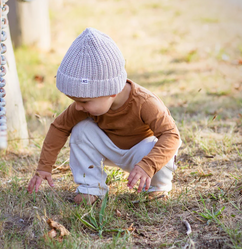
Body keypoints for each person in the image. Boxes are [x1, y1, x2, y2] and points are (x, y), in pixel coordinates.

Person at [28, 28, 181, 205]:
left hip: (141, 154)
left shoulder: (145, 103)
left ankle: (158, 188)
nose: (77, 106)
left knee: (158, 144)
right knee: (81, 129)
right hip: (109, 149)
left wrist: (148, 165)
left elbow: (172, 136)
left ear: (112, 92)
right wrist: (44, 167)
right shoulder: (83, 106)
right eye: (75, 100)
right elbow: (59, 127)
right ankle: (91, 187)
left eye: (84, 101)